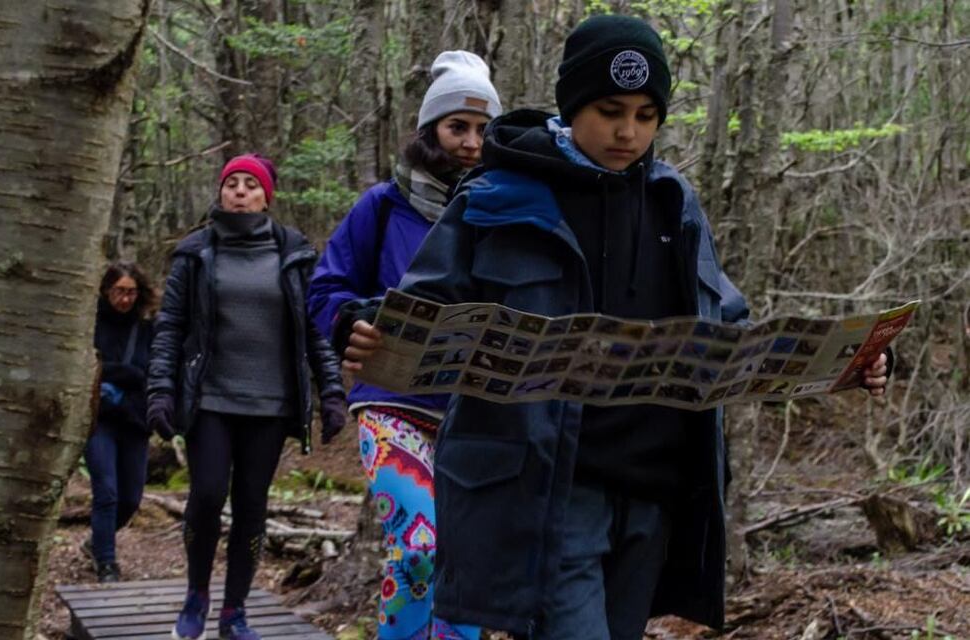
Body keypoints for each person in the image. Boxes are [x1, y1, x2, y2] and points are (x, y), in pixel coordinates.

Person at [340, 16, 892, 639]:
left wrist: (848, 363)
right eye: (609, 111)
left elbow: (729, 329)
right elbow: (422, 310)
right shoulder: (496, 199)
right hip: (552, 490)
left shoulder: (674, 205)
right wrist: (364, 328)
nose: (628, 131)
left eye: (646, 114)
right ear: (573, 104)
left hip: (655, 492)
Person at [307, 50, 501, 640]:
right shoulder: (383, 205)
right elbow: (326, 285)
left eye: (483, 130)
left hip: (476, 413)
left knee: (466, 568)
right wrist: (349, 321)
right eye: (457, 127)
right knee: (418, 548)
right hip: (390, 403)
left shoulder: (502, 212)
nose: (470, 141)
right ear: (429, 131)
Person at [146, 154, 347, 640]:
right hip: (209, 398)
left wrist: (332, 391)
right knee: (208, 493)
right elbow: (170, 326)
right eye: (231, 183)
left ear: (266, 196)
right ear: (220, 193)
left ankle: (234, 612)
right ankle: (196, 594)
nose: (239, 191)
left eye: (249, 185)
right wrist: (160, 390)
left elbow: (314, 330)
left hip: (271, 404)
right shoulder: (195, 254)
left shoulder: (294, 253)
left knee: (252, 504)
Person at [85, 262, 157, 583]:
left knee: (130, 499)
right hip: (100, 419)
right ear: (105, 291)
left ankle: (96, 542)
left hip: (135, 421)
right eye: (119, 291)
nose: (125, 299)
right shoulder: (91, 323)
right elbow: (90, 365)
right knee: (107, 493)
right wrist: (126, 373)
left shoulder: (147, 330)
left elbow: (154, 372)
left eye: (131, 292)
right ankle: (107, 563)